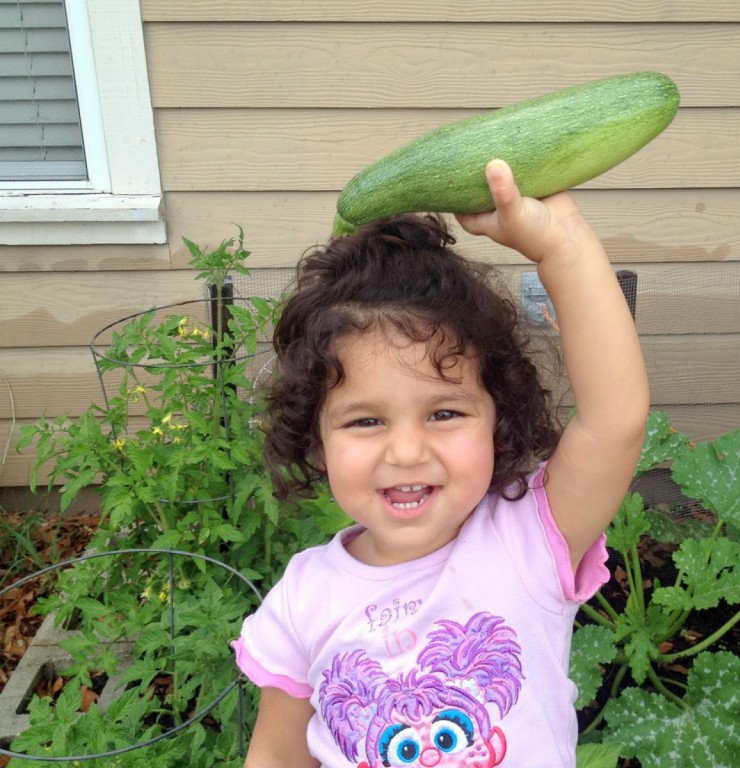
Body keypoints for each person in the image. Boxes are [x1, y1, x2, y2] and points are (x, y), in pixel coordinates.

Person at [233, 159, 650, 768]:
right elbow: (275, 754)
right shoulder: (303, 599)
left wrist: (562, 246)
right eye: (365, 420)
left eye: (444, 414)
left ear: (497, 418)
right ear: (317, 442)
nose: (406, 452)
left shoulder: (528, 540)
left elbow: (615, 420)